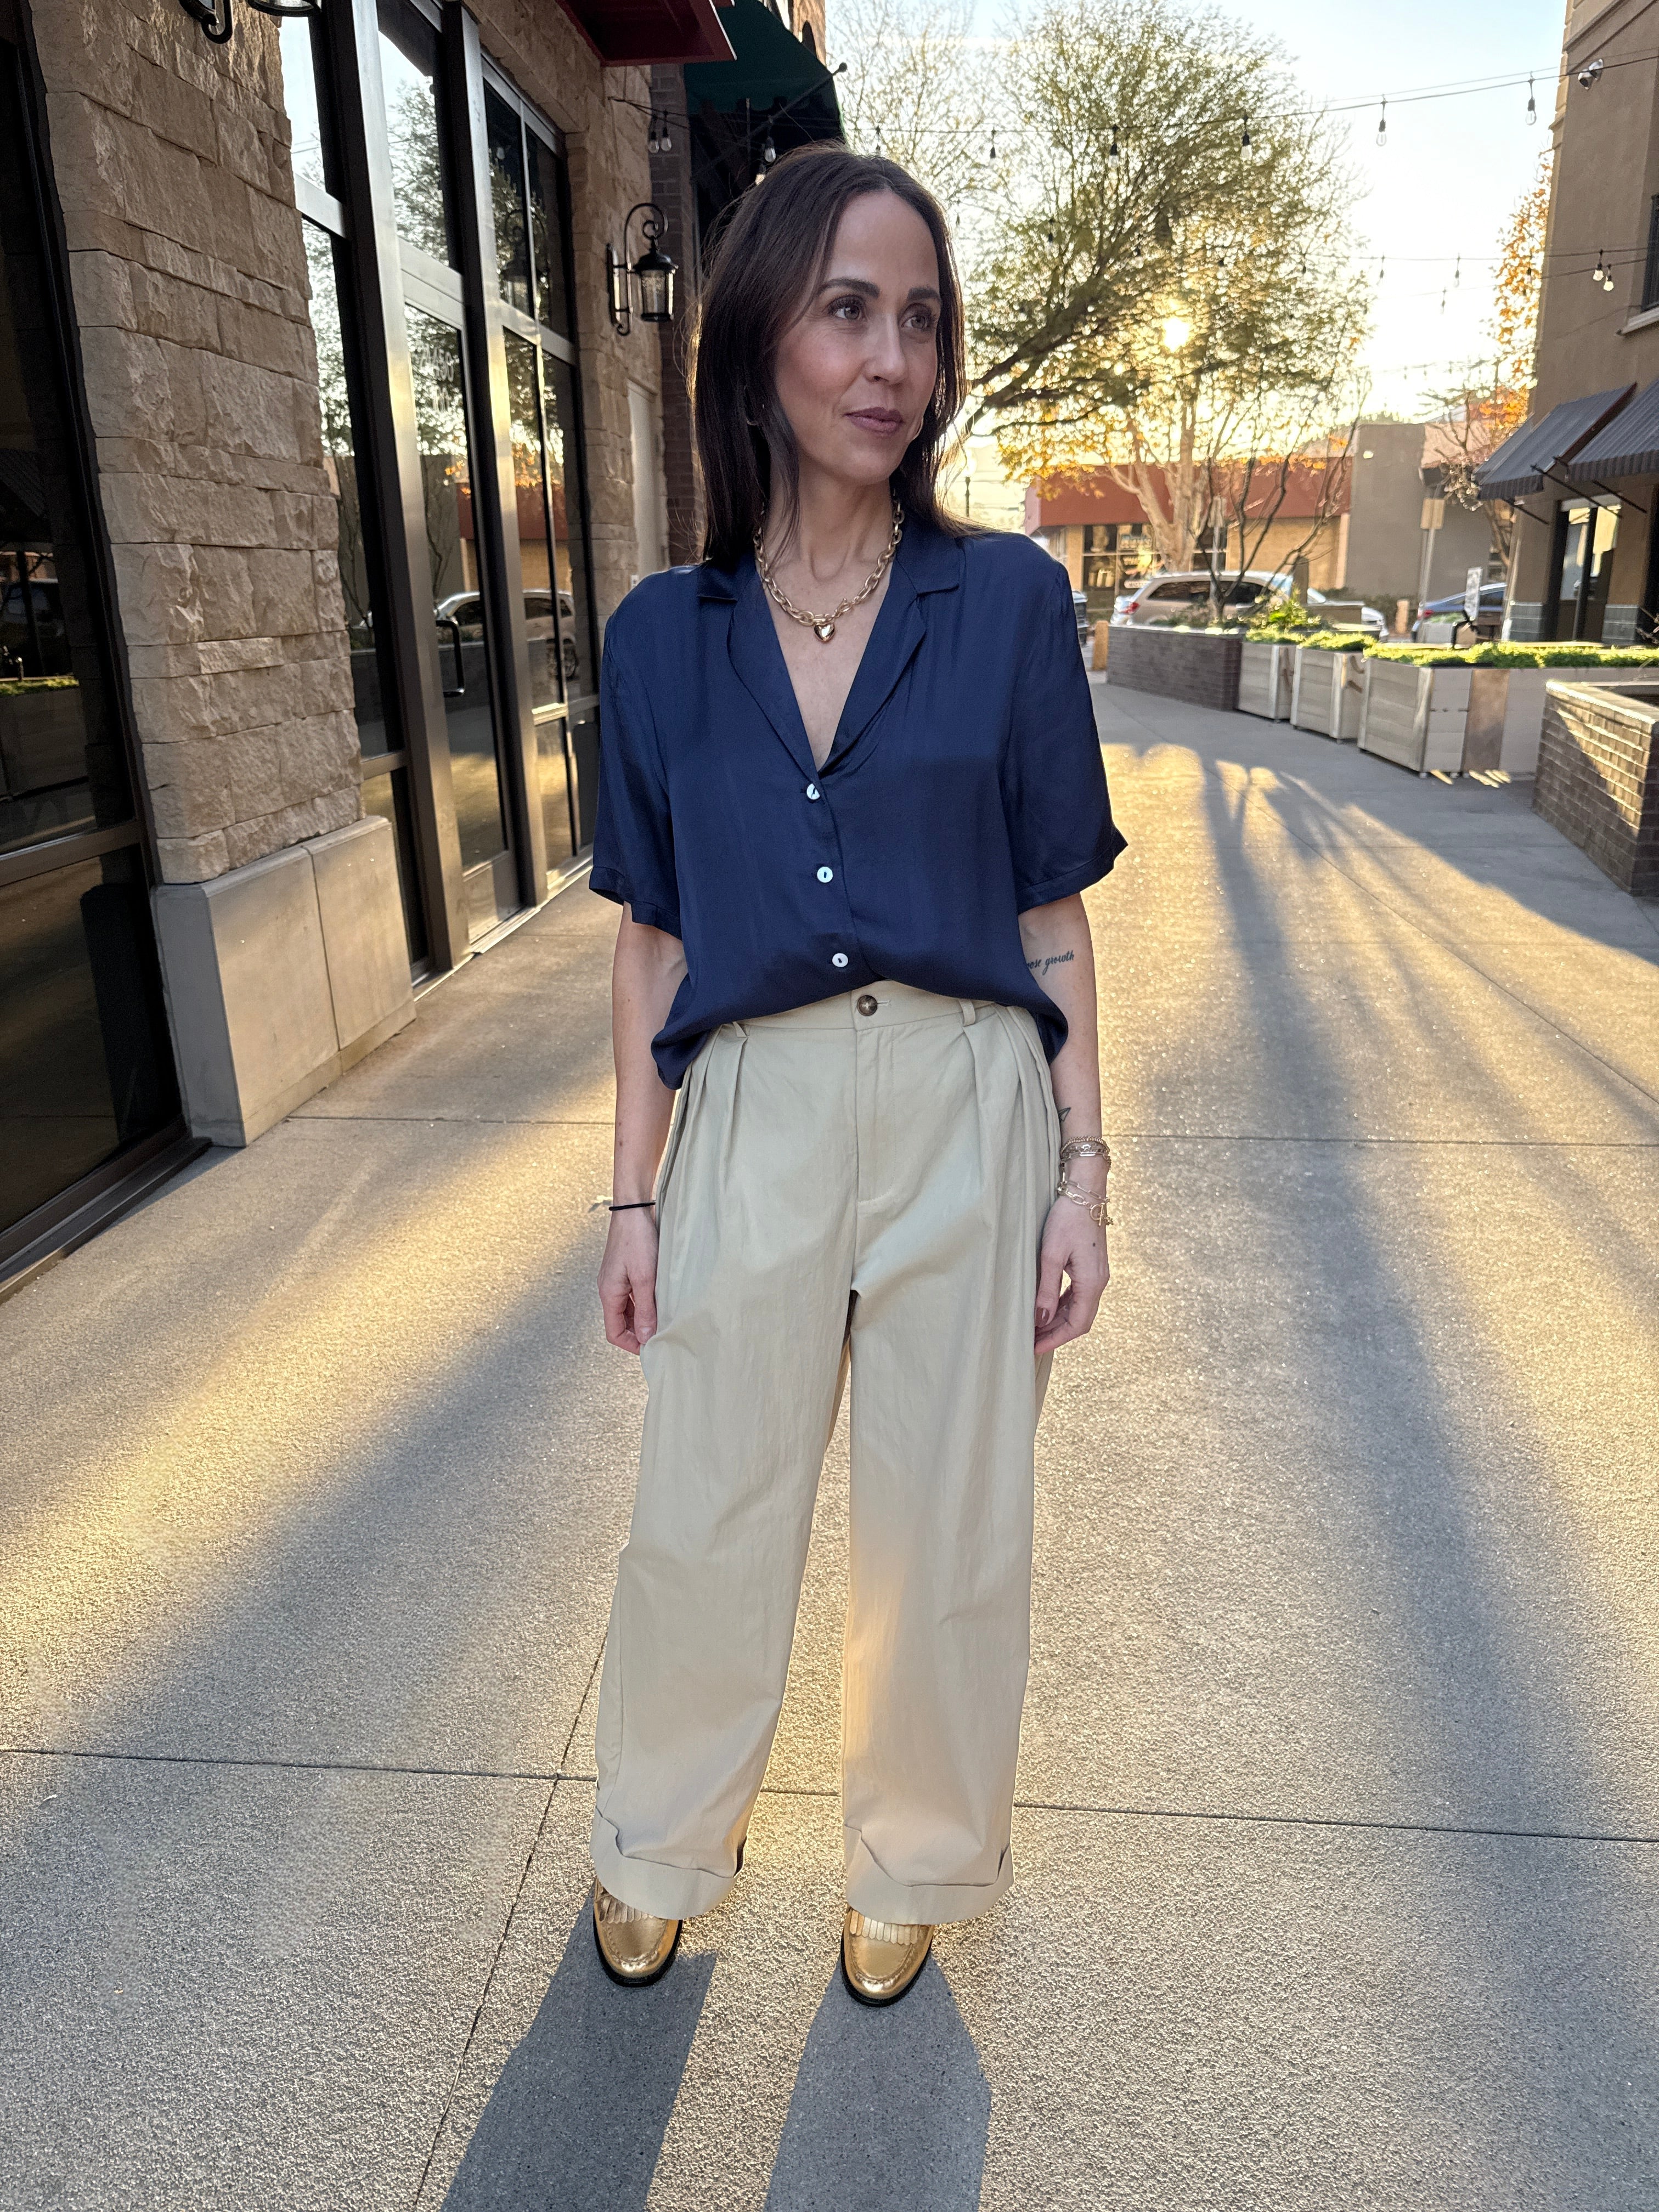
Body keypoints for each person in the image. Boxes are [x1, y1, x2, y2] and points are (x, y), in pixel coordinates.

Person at [586, 143, 1125, 2008]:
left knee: (948, 1527)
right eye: (847, 310)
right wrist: (637, 1194)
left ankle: (911, 1861)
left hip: (972, 1102)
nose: (891, 357)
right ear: (759, 343)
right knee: (704, 1515)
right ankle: (660, 1841)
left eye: (919, 317)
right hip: (752, 1111)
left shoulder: (1010, 606)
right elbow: (651, 937)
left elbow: (1052, 906)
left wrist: (1083, 1169)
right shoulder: (667, 639)